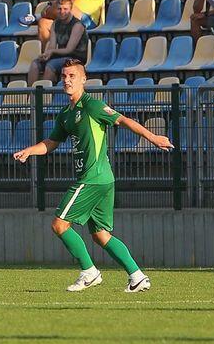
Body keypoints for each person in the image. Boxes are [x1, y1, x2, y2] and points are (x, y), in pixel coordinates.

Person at [12, 59, 173, 293]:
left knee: (59, 224)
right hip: (102, 179)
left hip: (93, 178)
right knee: (100, 235)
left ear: (84, 79)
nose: (67, 80)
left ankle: (89, 272)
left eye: (72, 76)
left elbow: (123, 120)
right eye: (64, 76)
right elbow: (52, 142)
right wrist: (30, 151)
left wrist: (154, 138)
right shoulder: (65, 114)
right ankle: (137, 276)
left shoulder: (92, 105)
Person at [27, 0, 87, 84]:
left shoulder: (77, 25)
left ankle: (45, 92)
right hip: (61, 55)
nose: (62, 12)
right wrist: (46, 54)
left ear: (70, 9)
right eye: (59, 9)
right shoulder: (55, 24)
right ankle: (31, 92)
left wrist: (52, 52)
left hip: (76, 57)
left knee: (50, 65)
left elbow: (69, 49)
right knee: (35, 64)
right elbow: (52, 45)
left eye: (65, 9)